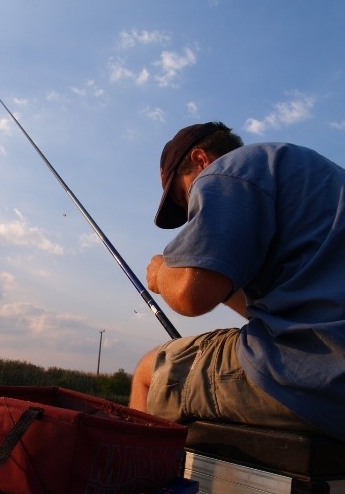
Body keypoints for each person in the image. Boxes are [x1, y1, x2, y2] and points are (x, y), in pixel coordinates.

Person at [130, 121, 345, 442]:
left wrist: (161, 274)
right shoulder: (311, 173)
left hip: (317, 378)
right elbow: (248, 306)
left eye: (182, 194)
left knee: (149, 371)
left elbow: (191, 295)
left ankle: (137, 480)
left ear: (201, 160)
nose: (190, 211)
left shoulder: (226, 172)